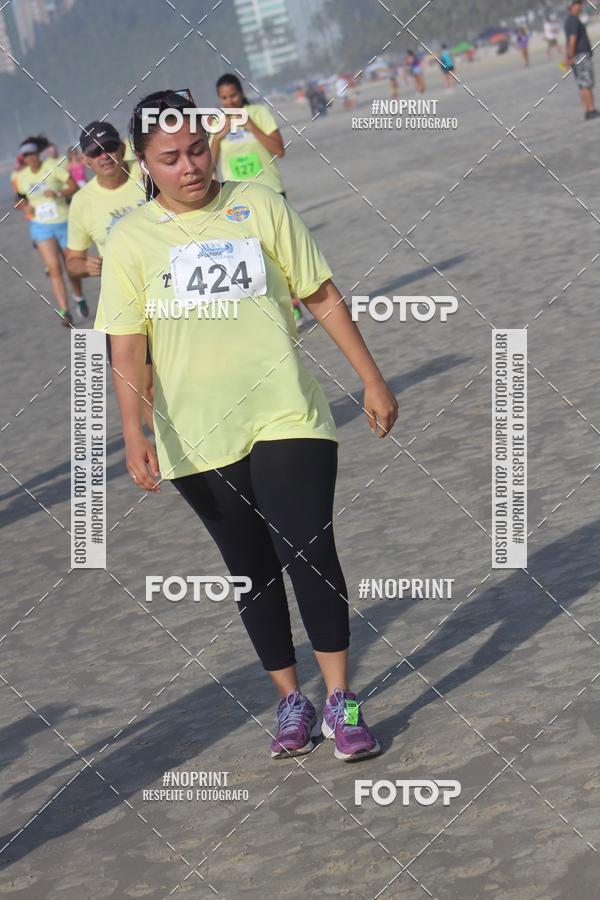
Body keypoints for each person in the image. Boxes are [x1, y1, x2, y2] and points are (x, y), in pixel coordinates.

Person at [95, 89, 398, 762]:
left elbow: (318, 291)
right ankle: (291, 699)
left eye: (197, 150)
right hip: (196, 432)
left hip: (285, 411)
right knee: (250, 571)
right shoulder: (131, 240)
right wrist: (134, 431)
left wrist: (370, 377)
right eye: (170, 158)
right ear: (145, 162)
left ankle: (342, 702)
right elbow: (125, 344)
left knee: (308, 551)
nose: (190, 167)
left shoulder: (258, 204)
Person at [66, 121, 153, 429]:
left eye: (109, 148)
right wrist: (85, 266)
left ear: (122, 148)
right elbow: (72, 261)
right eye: (95, 152)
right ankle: (177, 458)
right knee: (147, 389)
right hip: (124, 303)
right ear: (87, 161)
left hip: (170, 292)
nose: (104, 156)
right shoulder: (82, 203)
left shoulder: (148, 175)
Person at [210, 74, 305, 327]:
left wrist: (251, 126)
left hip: (270, 190)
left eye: (233, 95)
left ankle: (294, 305)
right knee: (252, 258)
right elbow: (207, 164)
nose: (230, 101)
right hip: (237, 199)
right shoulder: (216, 122)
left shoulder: (259, 112)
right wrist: (218, 137)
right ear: (219, 99)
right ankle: (273, 310)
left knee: (283, 253)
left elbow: (279, 150)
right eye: (224, 97)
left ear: (241, 93)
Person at [15, 136, 87, 326]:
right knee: (54, 268)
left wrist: (57, 193)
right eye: (25, 156)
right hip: (40, 226)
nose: (29, 158)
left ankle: (78, 296)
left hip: (63, 221)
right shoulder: (21, 177)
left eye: (31, 154)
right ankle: (65, 311)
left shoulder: (52, 166)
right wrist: (24, 207)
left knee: (70, 265)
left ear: (37, 154)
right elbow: (19, 198)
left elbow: (72, 186)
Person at [565, 0, 599, 120]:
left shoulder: (569, 20)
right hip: (581, 55)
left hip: (577, 56)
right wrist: (569, 56)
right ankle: (591, 109)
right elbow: (572, 40)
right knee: (586, 84)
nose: (580, 6)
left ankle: (588, 110)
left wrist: (569, 57)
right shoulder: (573, 20)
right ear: (571, 6)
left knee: (582, 84)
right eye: (577, 4)